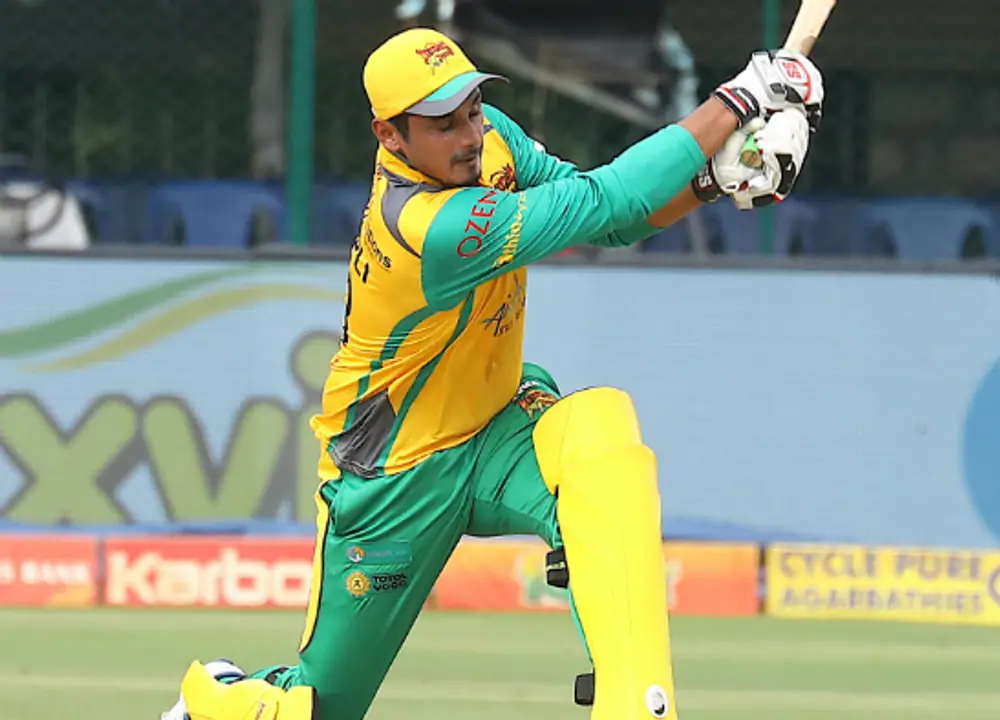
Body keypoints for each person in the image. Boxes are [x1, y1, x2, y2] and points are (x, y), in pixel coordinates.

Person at [162, 26, 822, 720]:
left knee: (601, 436)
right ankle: (215, 699)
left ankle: (636, 706)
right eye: (443, 124)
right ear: (390, 136)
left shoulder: (491, 139)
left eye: (473, 110)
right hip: (396, 476)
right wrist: (740, 100)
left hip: (494, 429)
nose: (469, 135)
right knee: (322, 707)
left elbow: (614, 222)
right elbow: (607, 200)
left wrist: (709, 181)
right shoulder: (427, 227)